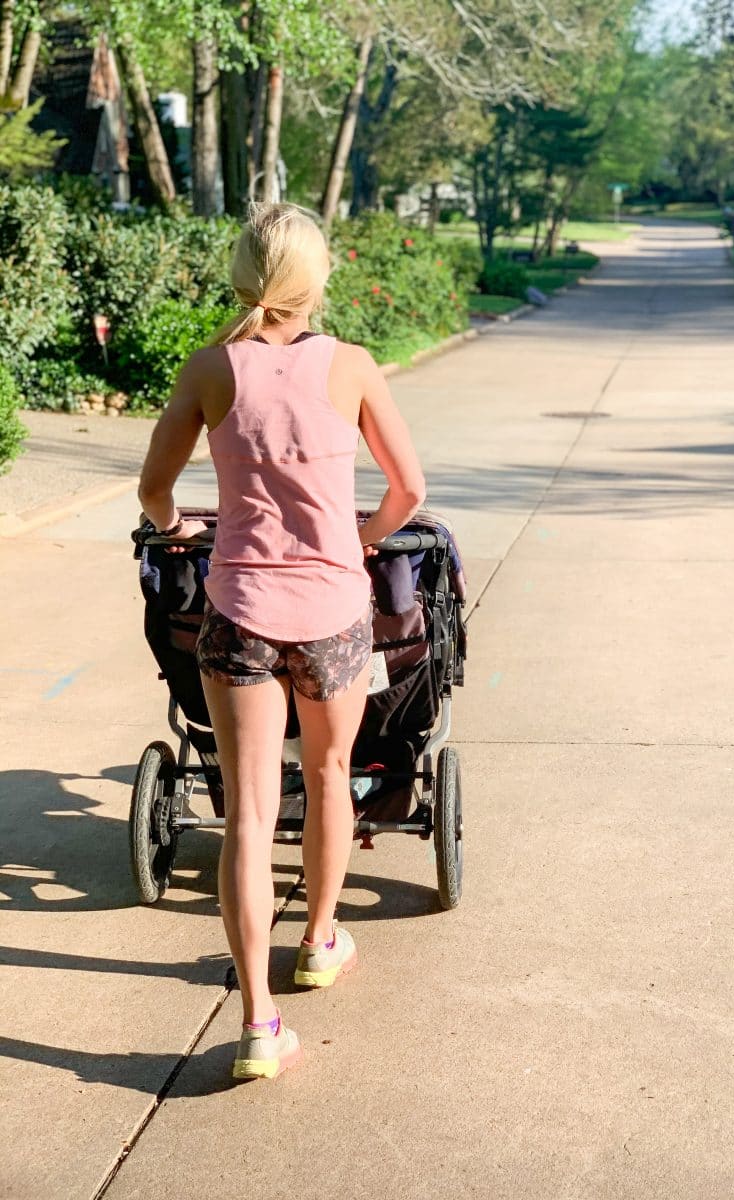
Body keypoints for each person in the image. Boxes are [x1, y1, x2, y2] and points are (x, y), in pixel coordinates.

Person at [137, 202, 426, 1081]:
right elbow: (409, 491)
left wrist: (183, 525)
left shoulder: (210, 369)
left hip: (240, 615)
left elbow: (154, 489)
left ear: (243, 275)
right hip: (335, 611)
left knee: (250, 810)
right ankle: (320, 939)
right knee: (332, 774)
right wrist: (364, 537)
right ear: (317, 279)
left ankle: (258, 1024)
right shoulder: (355, 367)